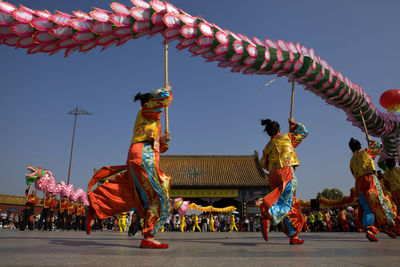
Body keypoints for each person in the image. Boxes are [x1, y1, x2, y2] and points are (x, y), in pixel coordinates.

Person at [87, 86, 172, 249]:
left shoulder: (150, 118)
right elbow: (163, 99)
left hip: (140, 155)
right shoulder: (146, 109)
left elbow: (154, 143)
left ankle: (94, 206)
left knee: (132, 194)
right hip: (143, 156)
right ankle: (148, 236)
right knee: (159, 196)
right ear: (150, 101)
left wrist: (163, 141)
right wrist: (166, 90)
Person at [257, 118, 308, 245]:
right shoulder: (287, 138)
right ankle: (267, 214)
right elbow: (304, 132)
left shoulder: (267, 147)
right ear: (279, 129)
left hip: (273, 175)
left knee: (291, 203)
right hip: (286, 171)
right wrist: (294, 124)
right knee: (286, 200)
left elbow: (263, 164)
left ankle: (294, 235)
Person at [349, 137, 397, 241]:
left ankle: (370, 229)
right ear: (360, 146)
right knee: (380, 202)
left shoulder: (351, 161)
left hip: (359, 184)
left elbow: (354, 174)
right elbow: (379, 146)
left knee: (367, 206)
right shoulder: (365, 153)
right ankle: (385, 225)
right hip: (369, 180)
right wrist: (370, 140)